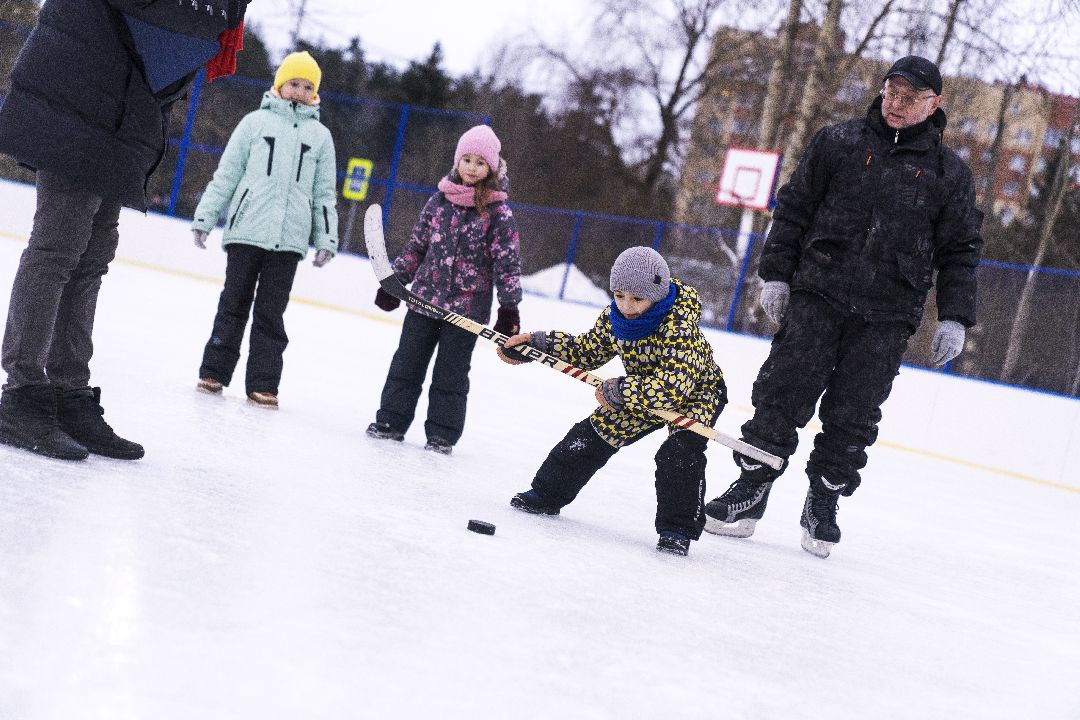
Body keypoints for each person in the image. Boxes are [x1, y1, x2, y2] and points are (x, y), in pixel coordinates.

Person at [704, 56, 984, 558]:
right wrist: (776, 275)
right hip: (819, 293)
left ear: (934, 104)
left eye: (909, 96)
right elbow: (793, 209)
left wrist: (957, 316)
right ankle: (749, 493)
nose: (895, 103)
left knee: (855, 412)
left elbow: (961, 250)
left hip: (888, 311)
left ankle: (824, 501)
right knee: (782, 392)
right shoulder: (839, 143)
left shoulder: (949, 174)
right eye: (891, 91)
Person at [0, 0, 247, 460]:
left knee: (92, 258)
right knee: (56, 250)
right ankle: (23, 392)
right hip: (76, 102)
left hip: (124, 110)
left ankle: (67, 391)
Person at [499, 247, 729, 557]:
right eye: (620, 296)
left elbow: (674, 387)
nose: (627, 306)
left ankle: (677, 530)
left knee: (678, 454)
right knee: (592, 434)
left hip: (696, 394)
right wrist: (538, 344)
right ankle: (546, 494)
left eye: (637, 299)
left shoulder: (678, 326)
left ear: (657, 294)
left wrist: (622, 390)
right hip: (640, 391)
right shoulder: (615, 317)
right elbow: (586, 352)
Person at [191, 51, 339, 409]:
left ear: (315, 93)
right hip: (247, 231)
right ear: (279, 84)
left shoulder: (320, 137)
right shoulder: (253, 124)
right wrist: (205, 217)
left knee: (271, 315)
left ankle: (263, 384)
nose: (300, 91)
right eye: (294, 83)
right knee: (233, 303)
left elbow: (324, 192)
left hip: (288, 240)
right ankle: (214, 371)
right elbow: (226, 175)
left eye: (308, 87)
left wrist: (326, 238)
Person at [366, 124, 522, 455]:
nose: (471, 167)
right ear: (457, 161)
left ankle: (442, 433)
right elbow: (416, 246)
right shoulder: (438, 201)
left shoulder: (498, 212)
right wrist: (395, 283)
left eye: (480, 162)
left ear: (491, 168)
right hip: (423, 301)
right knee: (406, 364)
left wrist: (508, 309)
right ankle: (391, 421)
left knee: (451, 375)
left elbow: (507, 264)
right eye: (466, 159)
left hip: (466, 312)